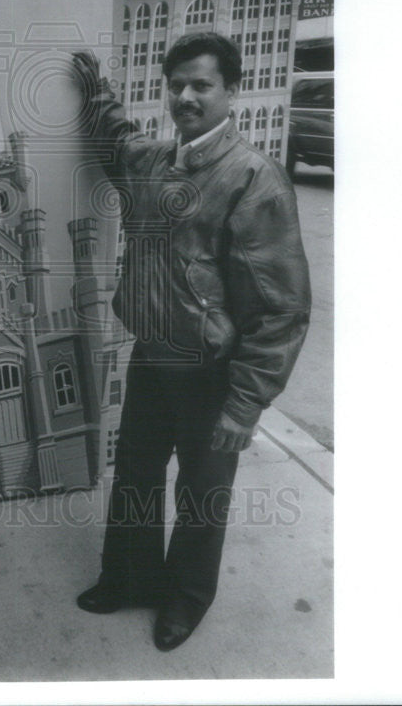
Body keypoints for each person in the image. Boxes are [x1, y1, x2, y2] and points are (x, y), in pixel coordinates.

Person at [71, 33, 311, 652]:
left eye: (201, 85)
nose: (185, 96)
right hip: (152, 355)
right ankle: (128, 578)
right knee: (136, 475)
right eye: (176, 84)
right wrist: (97, 92)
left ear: (232, 90)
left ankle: (185, 598)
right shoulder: (153, 162)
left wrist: (244, 404)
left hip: (214, 372)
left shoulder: (256, 180)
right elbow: (115, 141)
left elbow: (282, 309)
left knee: (202, 493)